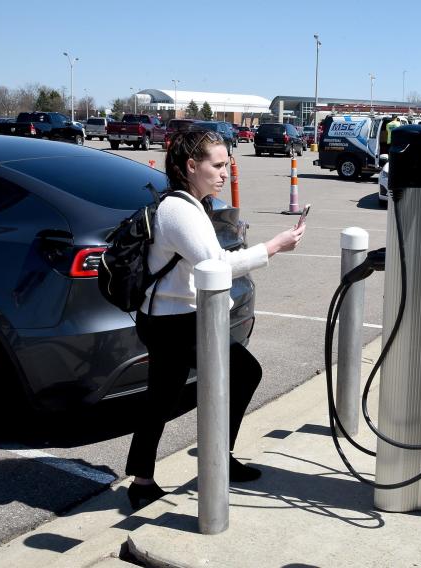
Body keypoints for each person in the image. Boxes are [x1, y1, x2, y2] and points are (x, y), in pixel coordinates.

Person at [125, 129, 305, 509]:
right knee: (242, 374)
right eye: (218, 165)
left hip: (174, 317)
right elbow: (215, 265)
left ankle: (145, 480)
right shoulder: (179, 209)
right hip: (174, 322)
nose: (225, 172)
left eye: (227, 164)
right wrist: (274, 246)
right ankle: (215, 460)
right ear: (192, 166)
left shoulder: (194, 204)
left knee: (163, 394)